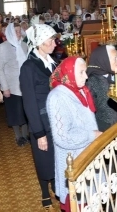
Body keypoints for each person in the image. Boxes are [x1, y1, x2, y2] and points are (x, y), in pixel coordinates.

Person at [47, 56, 101, 208]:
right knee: (78, 203)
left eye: (86, 72)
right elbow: (62, 137)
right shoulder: (57, 97)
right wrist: (93, 135)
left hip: (88, 157)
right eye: (81, 72)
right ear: (68, 74)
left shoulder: (81, 90)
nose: (86, 76)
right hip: (73, 162)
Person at [20, 24, 58, 210]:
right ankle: (44, 191)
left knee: (56, 156)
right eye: (50, 40)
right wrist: (38, 132)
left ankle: (55, 184)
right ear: (39, 43)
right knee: (43, 158)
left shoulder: (53, 62)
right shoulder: (28, 67)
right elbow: (29, 103)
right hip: (41, 121)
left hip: (57, 119)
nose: (54, 43)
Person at [0, 23, 28, 146]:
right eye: (15, 32)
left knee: (25, 111)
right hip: (11, 86)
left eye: (19, 31)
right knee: (14, 112)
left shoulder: (24, 46)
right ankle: (18, 136)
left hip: (24, 85)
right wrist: (5, 87)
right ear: (10, 33)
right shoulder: (3, 47)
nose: (18, 34)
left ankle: (25, 135)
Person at [86, 45, 117, 131]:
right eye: (115, 58)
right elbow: (89, 111)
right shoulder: (92, 81)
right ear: (104, 60)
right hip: (105, 127)